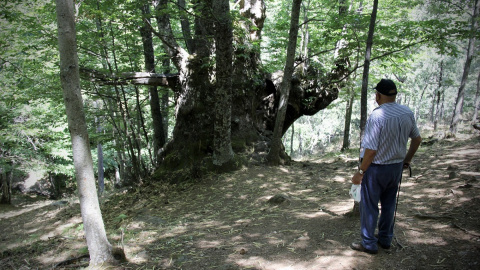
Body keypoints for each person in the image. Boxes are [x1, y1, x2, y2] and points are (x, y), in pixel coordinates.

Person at [350, 79, 422, 254]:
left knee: (369, 205)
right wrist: (407, 160)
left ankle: (368, 243)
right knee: (389, 204)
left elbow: (371, 150)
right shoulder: (407, 112)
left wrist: (360, 172)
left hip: (376, 168)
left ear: (378, 95)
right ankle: (385, 239)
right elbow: (417, 139)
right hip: (396, 167)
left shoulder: (377, 116)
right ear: (394, 94)